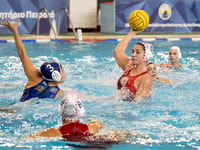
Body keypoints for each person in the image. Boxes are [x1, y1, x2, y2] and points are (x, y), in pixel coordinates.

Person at [0, 19, 65, 107]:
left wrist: (15, 31)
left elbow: (22, 54)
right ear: (56, 75)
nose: (64, 74)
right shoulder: (59, 94)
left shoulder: (35, 79)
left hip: (11, 109)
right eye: (63, 71)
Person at [21, 94, 103, 141]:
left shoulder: (53, 132)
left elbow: (23, 139)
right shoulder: (94, 126)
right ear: (81, 112)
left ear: (60, 111)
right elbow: (98, 123)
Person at [114, 29, 153, 101]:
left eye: (137, 52)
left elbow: (136, 104)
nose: (133, 55)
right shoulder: (128, 66)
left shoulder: (145, 79)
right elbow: (117, 51)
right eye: (133, 52)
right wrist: (132, 32)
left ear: (145, 56)